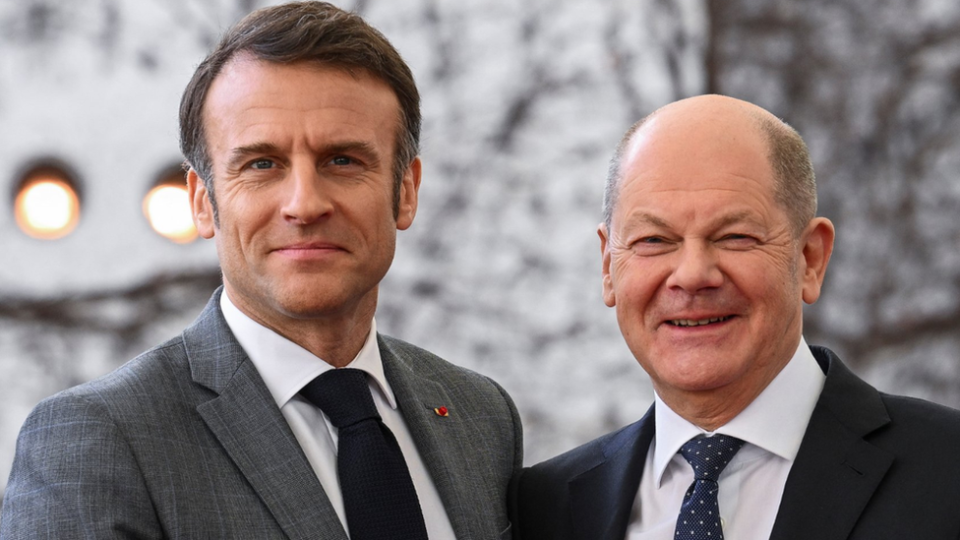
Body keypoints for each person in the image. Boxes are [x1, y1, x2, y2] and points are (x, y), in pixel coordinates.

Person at [1, 3, 521, 539]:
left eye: (342, 160)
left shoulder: (480, 416)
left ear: (405, 191)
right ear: (203, 203)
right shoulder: (100, 439)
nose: (304, 204)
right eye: (262, 164)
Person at [511, 94, 960, 539]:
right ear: (609, 266)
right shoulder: (542, 510)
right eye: (653, 240)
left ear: (810, 259)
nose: (691, 276)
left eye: (734, 237)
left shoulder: (946, 470)